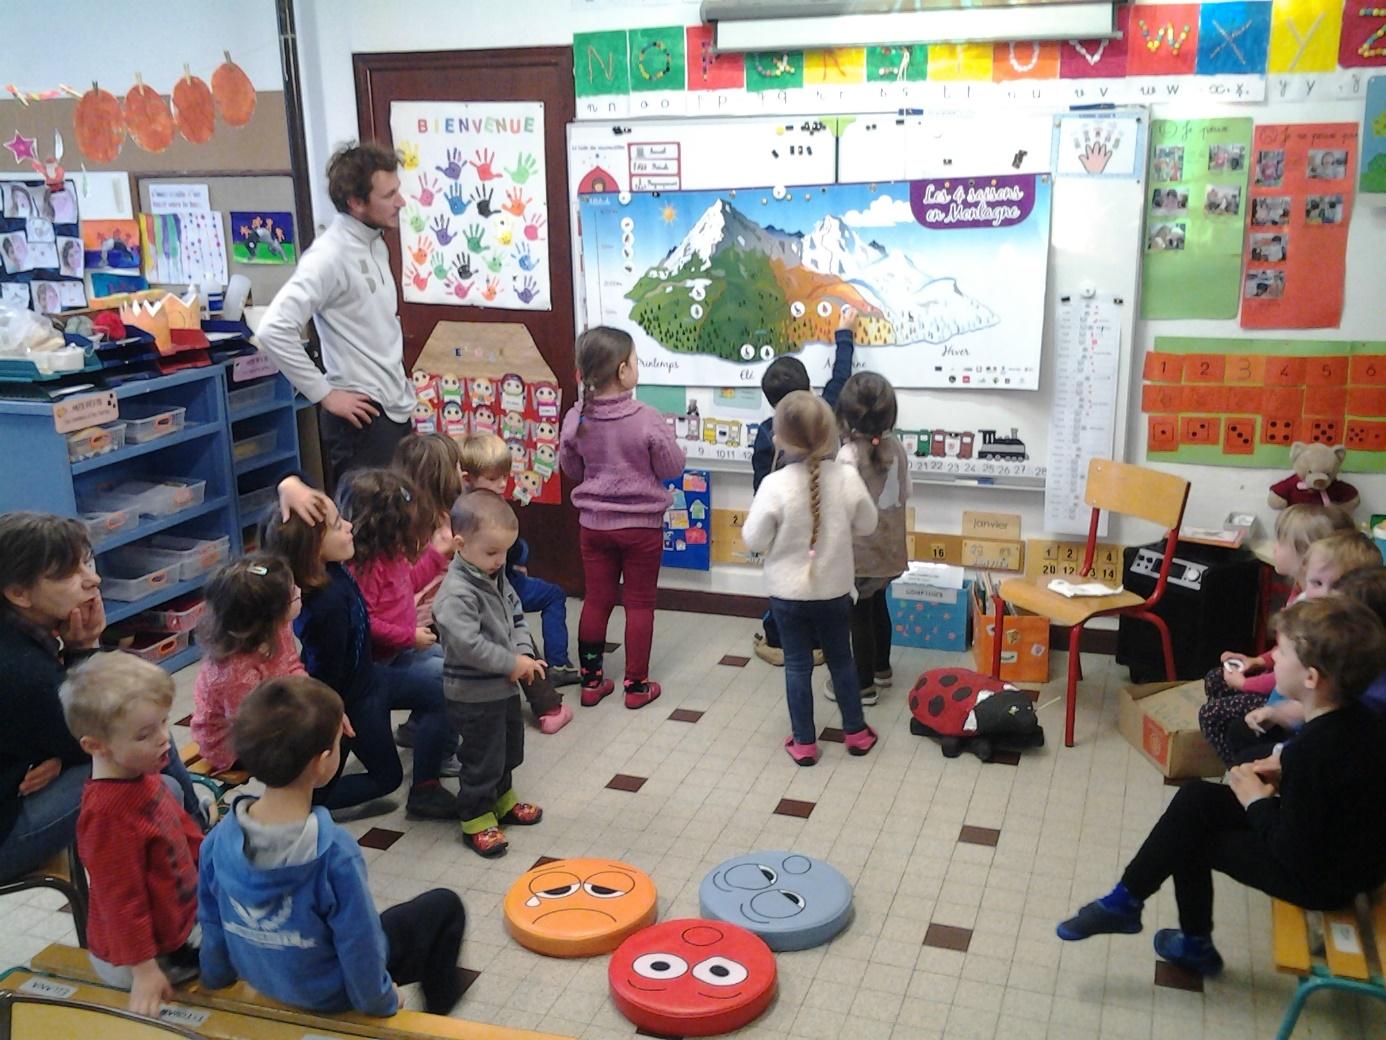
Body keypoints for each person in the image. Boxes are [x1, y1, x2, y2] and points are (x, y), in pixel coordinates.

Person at [1057, 598, 1386, 977]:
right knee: (1196, 798)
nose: (1274, 658)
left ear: (1311, 678)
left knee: (1191, 839)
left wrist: (1255, 803)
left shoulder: (1313, 751)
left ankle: (1190, 944)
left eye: (1284, 653)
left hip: (1326, 879)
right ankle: (1125, 901)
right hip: (1341, 849)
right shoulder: (1355, 721)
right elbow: (1333, 793)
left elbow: (1293, 851)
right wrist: (1282, 772)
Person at [198, 676, 466, 1016]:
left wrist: (216, 980)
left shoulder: (217, 840)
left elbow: (211, 921)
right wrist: (381, 1002)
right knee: (445, 907)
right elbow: (359, 944)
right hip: (329, 995)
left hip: (265, 979)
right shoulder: (332, 853)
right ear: (322, 761)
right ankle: (436, 1028)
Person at [0, 512, 200, 883]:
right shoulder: (23, 669)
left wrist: (58, 755)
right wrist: (87, 648)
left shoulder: (17, 637)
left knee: (136, 738)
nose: (93, 579)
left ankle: (200, 842)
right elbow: (108, 729)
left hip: (17, 782)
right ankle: (207, 854)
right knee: (143, 744)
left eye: (86, 563)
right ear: (17, 592)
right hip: (6, 835)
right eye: (68, 573)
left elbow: (71, 735)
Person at [264, 495, 456, 819]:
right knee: (387, 779)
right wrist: (332, 719)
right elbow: (325, 671)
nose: (350, 527)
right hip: (350, 703)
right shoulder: (324, 606)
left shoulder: (334, 569)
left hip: (373, 679)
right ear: (312, 548)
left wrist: (289, 485)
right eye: (339, 526)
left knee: (444, 692)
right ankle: (305, 802)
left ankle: (425, 788)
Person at [255, 142, 414, 483]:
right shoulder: (329, 255)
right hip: (361, 418)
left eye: (397, 191)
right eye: (389, 195)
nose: (400, 202)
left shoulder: (375, 242)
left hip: (393, 407)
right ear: (356, 203)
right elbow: (273, 328)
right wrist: (324, 393)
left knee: (404, 522)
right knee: (370, 528)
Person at [741, 392, 879, 766]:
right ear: (831, 435)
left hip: (787, 596)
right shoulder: (846, 478)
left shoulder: (774, 485)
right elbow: (868, 523)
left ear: (779, 439)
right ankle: (856, 732)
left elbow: (753, 539)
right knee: (842, 660)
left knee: (798, 665)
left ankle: (804, 742)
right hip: (835, 592)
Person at [63, 652, 202, 1016]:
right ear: (96, 745)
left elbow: (183, 830)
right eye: (145, 734)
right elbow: (120, 902)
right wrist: (144, 971)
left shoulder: (140, 773)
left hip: (173, 926)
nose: (164, 740)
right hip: (139, 960)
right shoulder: (108, 815)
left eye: (164, 724)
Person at [558, 326, 686, 710]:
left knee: (596, 600)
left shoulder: (577, 416)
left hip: (593, 525)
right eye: (634, 360)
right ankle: (636, 686)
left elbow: (572, 468)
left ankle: (592, 682)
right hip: (641, 528)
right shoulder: (646, 417)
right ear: (623, 371)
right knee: (640, 603)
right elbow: (672, 466)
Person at [433, 490, 551, 857]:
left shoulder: (493, 574)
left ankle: (502, 801)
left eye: (504, 552)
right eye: (491, 552)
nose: (500, 561)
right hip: (472, 694)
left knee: (507, 749)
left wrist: (524, 652)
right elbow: (468, 645)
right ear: (459, 543)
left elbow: (516, 615)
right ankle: (476, 818)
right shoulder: (456, 592)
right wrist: (510, 663)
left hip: (502, 689)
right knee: (481, 758)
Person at [1199, 507, 1359, 763]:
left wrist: (1246, 684)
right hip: (1283, 687)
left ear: (1306, 554)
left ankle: (1243, 768)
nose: (1275, 548)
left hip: (1287, 696)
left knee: (1213, 714)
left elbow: (1289, 675)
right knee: (1216, 680)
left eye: (1281, 542)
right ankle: (1242, 747)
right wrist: (1258, 662)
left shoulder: (1318, 616)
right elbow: (1284, 653)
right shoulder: (1301, 593)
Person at [752, 306, 857, 666]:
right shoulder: (825, 415)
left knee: (785, 580)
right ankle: (820, 641)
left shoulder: (767, 434)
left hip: (784, 528)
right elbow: (841, 377)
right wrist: (844, 332)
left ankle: (783, 639)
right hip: (826, 521)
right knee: (821, 575)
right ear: (809, 389)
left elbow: (759, 488)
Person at [458, 431, 580, 689]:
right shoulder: (484, 510)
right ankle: (557, 663)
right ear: (468, 478)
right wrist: (517, 557)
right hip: (500, 585)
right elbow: (509, 548)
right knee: (554, 595)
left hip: (498, 579)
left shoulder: (460, 507)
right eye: (493, 478)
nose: (502, 484)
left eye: (505, 476)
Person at [830, 372, 909, 707]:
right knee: (878, 604)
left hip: (859, 553)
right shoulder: (899, 450)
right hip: (889, 550)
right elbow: (905, 494)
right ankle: (881, 668)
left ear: (845, 416)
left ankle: (862, 685)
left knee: (858, 614)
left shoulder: (847, 456)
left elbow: (837, 505)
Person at [191, 554, 305, 773]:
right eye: (292, 594)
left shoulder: (277, 627)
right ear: (265, 616)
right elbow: (251, 727)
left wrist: (311, 695)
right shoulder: (233, 673)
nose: (299, 591)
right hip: (233, 741)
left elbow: (291, 664)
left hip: (270, 708)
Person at [338, 468, 450, 686]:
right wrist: (409, 636)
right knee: (447, 679)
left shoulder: (391, 554)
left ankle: (421, 720)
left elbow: (409, 583)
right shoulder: (367, 567)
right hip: (382, 662)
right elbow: (365, 622)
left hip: (401, 649)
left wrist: (438, 554)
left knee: (454, 663)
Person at [390, 432, 464, 624]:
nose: (462, 473)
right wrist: (439, 552)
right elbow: (404, 585)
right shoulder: (415, 525)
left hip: (441, 612)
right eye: (457, 466)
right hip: (429, 621)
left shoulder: (445, 514)